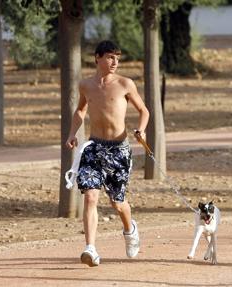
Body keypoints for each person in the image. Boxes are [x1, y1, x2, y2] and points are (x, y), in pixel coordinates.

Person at [65, 40, 149, 267]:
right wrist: (73, 133)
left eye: (117, 58)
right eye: (110, 57)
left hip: (119, 150)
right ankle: (90, 248)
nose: (115, 62)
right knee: (91, 196)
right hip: (94, 148)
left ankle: (130, 230)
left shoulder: (125, 84)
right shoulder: (86, 85)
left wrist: (141, 130)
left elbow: (144, 111)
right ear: (97, 58)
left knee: (117, 203)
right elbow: (80, 111)